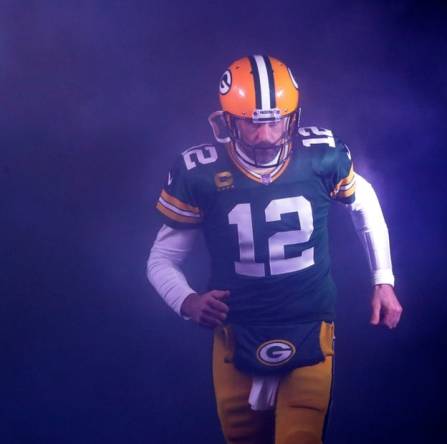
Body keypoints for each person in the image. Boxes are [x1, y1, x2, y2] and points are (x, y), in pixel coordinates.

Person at [146, 54, 402, 444]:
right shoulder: (200, 174)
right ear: (228, 120)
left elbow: (364, 201)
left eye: (274, 120)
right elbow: (161, 258)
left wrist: (383, 280)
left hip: (309, 323)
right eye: (251, 123)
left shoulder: (321, 157)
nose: (265, 135)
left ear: (292, 117)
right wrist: (187, 300)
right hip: (236, 329)